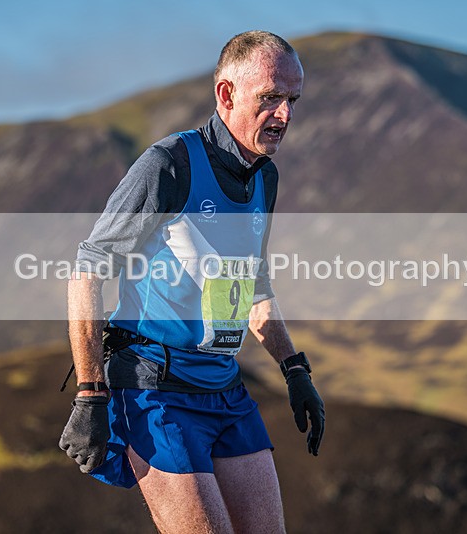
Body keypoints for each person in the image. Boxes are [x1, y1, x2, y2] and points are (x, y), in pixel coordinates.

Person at [60, 30, 325, 534]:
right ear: (226, 95)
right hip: (155, 391)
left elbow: (252, 283)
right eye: (270, 98)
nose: (285, 115)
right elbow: (86, 274)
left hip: (224, 388)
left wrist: (295, 370)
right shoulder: (168, 166)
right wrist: (90, 396)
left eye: (292, 100)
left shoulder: (264, 176)